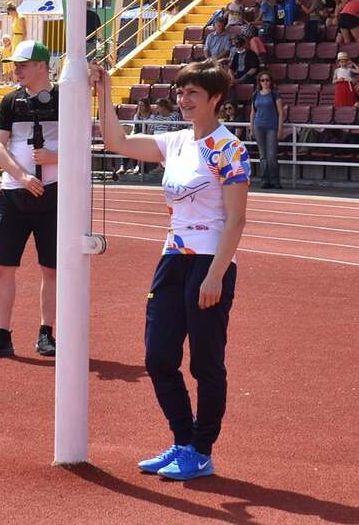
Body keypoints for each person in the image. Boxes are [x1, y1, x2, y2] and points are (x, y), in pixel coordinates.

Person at [89, 59, 250, 482]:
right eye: (180, 92)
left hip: (209, 262)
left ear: (215, 99)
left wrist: (216, 274)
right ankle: (182, 440)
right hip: (173, 258)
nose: (183, 100)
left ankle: (201, 449)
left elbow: (236, 220)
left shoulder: (229, 148)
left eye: (193, 93)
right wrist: (103, 92)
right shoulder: (175, 142)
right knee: (158, 356)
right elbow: (115, 140)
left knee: (205, 363)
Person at [0, 40, 61, 360]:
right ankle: (2, 334)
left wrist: (54, 157)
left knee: (51, 269)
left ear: (42, 66)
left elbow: (83, 147)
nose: (16, 69)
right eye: (15, 64)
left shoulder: (66, 100)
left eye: (23, 64)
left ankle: (46, 333)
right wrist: (23, 177)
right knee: (2, 267)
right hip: (13, 195)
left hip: (53, 196)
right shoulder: (10, 101)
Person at [251, 72, 285, 190]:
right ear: (259, 82)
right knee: (263, 156)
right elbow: (253, 112)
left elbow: (281, 112)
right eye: (262, 80)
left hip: (272, 127)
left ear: (271, 81)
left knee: (271, 155)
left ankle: (275, 180)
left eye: (267, 80)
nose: (265, 82)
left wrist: (280, 128)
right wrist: (251, 127)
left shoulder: (275, 94)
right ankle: (265, 180)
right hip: (258, 126)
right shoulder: (256, 94)